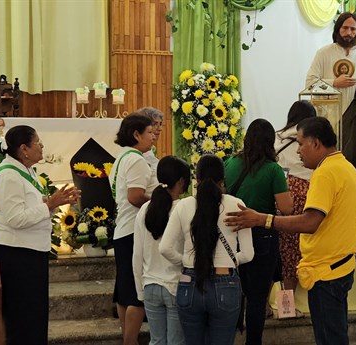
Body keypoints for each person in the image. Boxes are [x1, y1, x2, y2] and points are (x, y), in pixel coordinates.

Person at [225, 117, 356, 345]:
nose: (297, 151)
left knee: (330, 337)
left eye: (300, 143)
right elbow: (290, 208)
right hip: (340, 265)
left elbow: (309, 222)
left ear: (316, 143)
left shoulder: (325, 173)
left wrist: (262, 219)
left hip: (326, 270)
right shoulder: (346, 167)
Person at [0, 125, 80, 345]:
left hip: (29, 253)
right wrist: (50, 203)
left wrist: (58, 203)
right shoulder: (8, 176)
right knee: (19, 320)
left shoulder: (28, 173)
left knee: (33, 317)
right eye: (38, 142)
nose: (42, 146)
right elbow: (16, 219)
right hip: (13, 255)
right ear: (24, 149)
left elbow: (38, 209)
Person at [159, 154, 254, 345]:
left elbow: (165, 248)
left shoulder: (183, 206)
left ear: (196, 179)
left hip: (189, 282)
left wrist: (186, 261)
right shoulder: (237, 204)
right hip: (225, 283)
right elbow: (248, 254)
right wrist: (229, 260)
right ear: (222, 180)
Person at [224, 118, 293, 344]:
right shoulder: (273, 170)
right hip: (262, 235)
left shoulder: (230, 164)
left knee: (235, 292)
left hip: (232, 235)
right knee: (257, 298)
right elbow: (287, 208)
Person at [305, 12, 356, 171]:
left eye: (353, 29)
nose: (349, 33)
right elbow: (310, 84)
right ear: (337, 29)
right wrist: (334, 82)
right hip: (329, 116)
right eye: (345, 28)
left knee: (353, 166)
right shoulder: (324, 53)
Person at [109, 113, 156, 345]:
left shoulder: (122, 157)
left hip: (123, 229)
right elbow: (135, 196)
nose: (153, 136)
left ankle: (127, 336)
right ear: (136, 135)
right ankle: (130, 341)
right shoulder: (136, 159)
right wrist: (160, 202)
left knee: (124, 290)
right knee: (136, 293)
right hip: (134, 231)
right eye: (149, 132)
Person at [133, 156, 191, 345]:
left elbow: (137, 255)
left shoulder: (144, 209)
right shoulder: (183, 208)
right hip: (175, 286)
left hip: (150, 286)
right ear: (182, 182)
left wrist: (140, 290)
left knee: (156, 341)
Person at [274, 100, 316, 299]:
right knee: (304, 248)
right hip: (309, 194)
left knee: (286, 250)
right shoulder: (310, 139)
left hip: (283, 193)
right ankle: (292, 303)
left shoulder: (277, 138)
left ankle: (285, 304)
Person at [137, 106, 164, 172]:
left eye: (160, 124)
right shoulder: (137, 150)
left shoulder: (152, 148)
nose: (160, 129)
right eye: (155, 124)